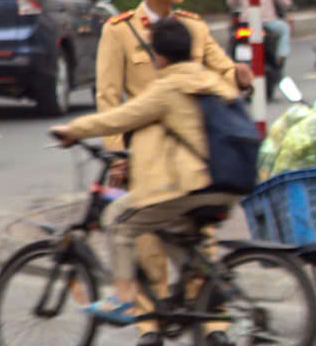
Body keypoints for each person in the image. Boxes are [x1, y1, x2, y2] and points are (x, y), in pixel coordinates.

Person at [95, 0, 248, 346]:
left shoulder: (194, 27)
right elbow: (108, 96)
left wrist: (238, 72)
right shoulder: (120, 31)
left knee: (202, 235)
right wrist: (116, 152)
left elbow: (220, 69)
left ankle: (213, 321)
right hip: (144, 153)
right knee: (145, 239)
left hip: (190, 149)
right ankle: (149, 319)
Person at [51, 18, 243, 326]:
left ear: (159, 56)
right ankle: (208, 291)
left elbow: (121, 117)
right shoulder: (210, 81)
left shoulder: (168, 87)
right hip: (228, 182)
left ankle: (124, 299)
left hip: (193, 185)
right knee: (171, 229)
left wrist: (73, 130)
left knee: (118, 220)